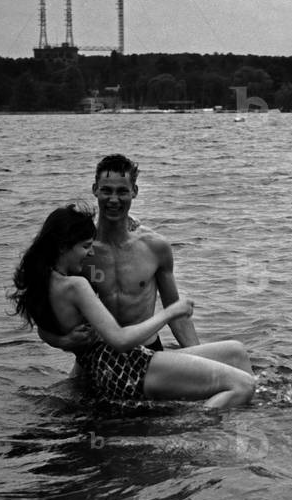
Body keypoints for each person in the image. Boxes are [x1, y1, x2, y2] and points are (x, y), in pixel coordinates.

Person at [12, 205, 255, 409]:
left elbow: (44, 330)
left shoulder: (41, 284)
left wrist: (64, 342)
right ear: (64, 246)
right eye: (85, 246)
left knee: (236, 351)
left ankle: (243, 418)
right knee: (243, 385)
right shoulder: (74, 286)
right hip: (125, 368)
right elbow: (120, 339)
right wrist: (172, 311)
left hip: (116, 367)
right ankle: (192, 429)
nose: (89, 254)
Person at [38, 153, 251, 375]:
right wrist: (63, 341)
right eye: (106, 190)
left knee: (229, 369)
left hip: (147, 353)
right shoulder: (79, 253)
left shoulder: (154, 247)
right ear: (95, 190)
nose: (113, 199)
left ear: (135, 192)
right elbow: (42, 316)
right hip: (97, 359)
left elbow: (175, 312)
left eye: (122, 191)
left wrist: (201, 362)